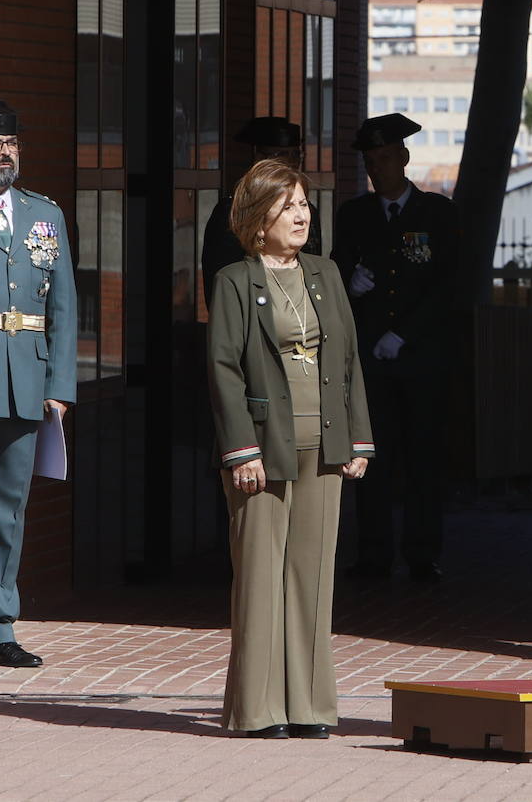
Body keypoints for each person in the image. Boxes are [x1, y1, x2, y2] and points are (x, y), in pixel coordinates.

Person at [207, 158, 375, 738]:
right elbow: (224, 370)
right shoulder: (234, 280)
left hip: (323, 446)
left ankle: (308, 706)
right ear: (259, 219)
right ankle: (256, 710)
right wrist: (241, 451)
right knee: (259, 576)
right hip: (263, 450)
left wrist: (357, 439)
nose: (301, 214)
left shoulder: (325, 274)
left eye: (305, 204)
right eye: (288, 206)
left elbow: (349, 359)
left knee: (312, 575)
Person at [0, 98, 77, 669]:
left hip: (24, 378)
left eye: (12, 144)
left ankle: (0, 624)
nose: (5, 153)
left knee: (7, 506)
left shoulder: (43, 215)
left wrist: (60, 384)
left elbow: (65, 309)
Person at [331, 113, 459, 583]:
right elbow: (336, 273)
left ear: (403, 159)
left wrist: (404, 334)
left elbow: (448, 286)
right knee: (371, 456)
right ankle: (374, 554)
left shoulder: (437, 214)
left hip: (420, 356)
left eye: (385, 158)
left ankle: (423, 554)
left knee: (424, 456)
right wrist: (351, 283)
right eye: (370, 161)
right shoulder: (355, 215)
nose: (376, 169)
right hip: (371, 360)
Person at [201, 117, 322, 306]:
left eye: (295, 155)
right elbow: (221, 285)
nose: (290, 163)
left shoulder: (308, 211)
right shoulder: (232, 211)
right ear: (259, 158)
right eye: (281, 154)